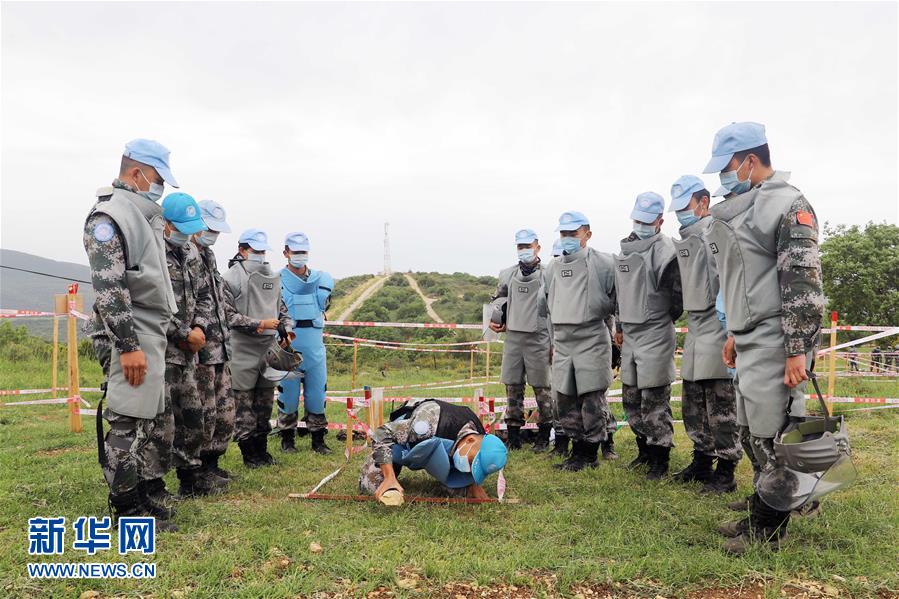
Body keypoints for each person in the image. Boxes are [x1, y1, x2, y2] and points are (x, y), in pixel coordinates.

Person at [703, 121, 824, 554]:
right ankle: (763, 503)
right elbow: (743, 279)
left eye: (729, 166)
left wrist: (797, 350)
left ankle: (769, 530)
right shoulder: (748, 206)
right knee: (753, 430)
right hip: (751, 337)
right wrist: (735, 331)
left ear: (751, 161)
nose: (724, 176)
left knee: (776, 434)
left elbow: (802, 284)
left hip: (779, 339)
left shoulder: (790, 205)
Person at [83, 139, 179, 530]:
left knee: (146, 420)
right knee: (126, 424)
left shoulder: (139, 215)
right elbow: (110, 288)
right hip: (130, 332)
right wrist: (127, 345)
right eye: (157, 179)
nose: (159, 188)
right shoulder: (109, 217)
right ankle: (126, 510)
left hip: (148, 330)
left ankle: (138, 493)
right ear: (137, 172)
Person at [668, 176, 742, 493]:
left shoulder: (718, 232)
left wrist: (733, 330)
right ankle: (701, 459)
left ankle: (726, 470)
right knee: (694, 402)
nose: (681, 213)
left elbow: (733, 281)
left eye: (686, 206)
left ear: (703, 202)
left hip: (718, 323)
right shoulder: (686, 241)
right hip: (696, 327)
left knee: (721, 405)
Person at [614, 192, 683, 480]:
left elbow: (678, 296)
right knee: (631, 397)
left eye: (647, 220)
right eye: (637, 219)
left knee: (654, 398)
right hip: (630, 333)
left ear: (659, 221)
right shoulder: (625, 251)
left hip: (655, 331)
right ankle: (643, 449)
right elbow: (620, 293)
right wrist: (619, 325)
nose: (640, 225)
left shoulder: (666, 251)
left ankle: (659, 458)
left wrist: (660, 317)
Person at [543, 211, 618, 471]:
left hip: (592, 338)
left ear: (587, 234)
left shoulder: (604, 263)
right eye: (563, 233)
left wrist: (620, 334)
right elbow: (547, 305)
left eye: (572, 233)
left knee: (592, 399)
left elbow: (618, 299)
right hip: (563, 341)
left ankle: (590, 453)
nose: (567, 238)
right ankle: (576, 450)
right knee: (564, 398)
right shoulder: (551, 268)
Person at [160, 193, 218, 497]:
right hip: (163, 350)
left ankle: (190, 477)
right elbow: (150, 306)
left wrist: (199, 327)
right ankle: (151, 484)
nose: (186, 233)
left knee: (193, 416)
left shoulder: (191, 254)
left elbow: (205, 296)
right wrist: (183, 333)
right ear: (165, 223)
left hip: (190, 352)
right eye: (181, 226)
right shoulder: (152, 253)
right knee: (161, 422)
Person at [223, 229, 294, 468]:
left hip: (268, 348)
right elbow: (228, 316)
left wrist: (286, 329)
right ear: (242, 250)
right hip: (242, 348)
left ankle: (262, 450)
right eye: (256, 250)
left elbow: (282, 310)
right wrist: (259, 324)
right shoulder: (230, 278)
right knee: (243, 403)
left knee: (264, 402)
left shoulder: (272, 277)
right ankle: (249, 453)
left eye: (263, 251)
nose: (260, 255)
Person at [359, 398, 508, 505]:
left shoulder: (479, 433)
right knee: (373, 488)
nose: (468, 468)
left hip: (436, 450)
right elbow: (381, 434)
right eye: (470, 462)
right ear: (470, 440)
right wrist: (389, 477)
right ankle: (390, 470)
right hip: (404, 444)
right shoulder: (427, 424)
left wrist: (473, 485)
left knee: (462, 496)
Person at [488, 229, 553, 452]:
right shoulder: (507, 274)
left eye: (528, 246)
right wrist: (496, 320)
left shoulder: (548, 273)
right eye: (520, 246)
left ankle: (544, 435)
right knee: (513, 386)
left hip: (540, 337)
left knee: (543, 388)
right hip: (514, 337)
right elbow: (498, 301)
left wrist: (554, 342)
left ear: (538, 247)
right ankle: (513, 435)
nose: (524, 250)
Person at [277, 232, 335, 454]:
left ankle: (318, 440)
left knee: (317, 394)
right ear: (286, 253)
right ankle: (287, 439)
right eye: (295, 251)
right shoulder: (276, 280)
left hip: (314, 346)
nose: (299, 256)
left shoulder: (321, 280)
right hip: (288, 345)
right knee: (288, 394)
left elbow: (324, 305)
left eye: (303, 252)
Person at [192, 200, 235, 484]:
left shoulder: (208, 255)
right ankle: (196, 470)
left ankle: (212, 462)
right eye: (209, 229)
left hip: (221, 347)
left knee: (223, 411)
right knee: (203, 413)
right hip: (200, 350)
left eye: (217, 231)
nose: (213, 235)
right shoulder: (186, 253)